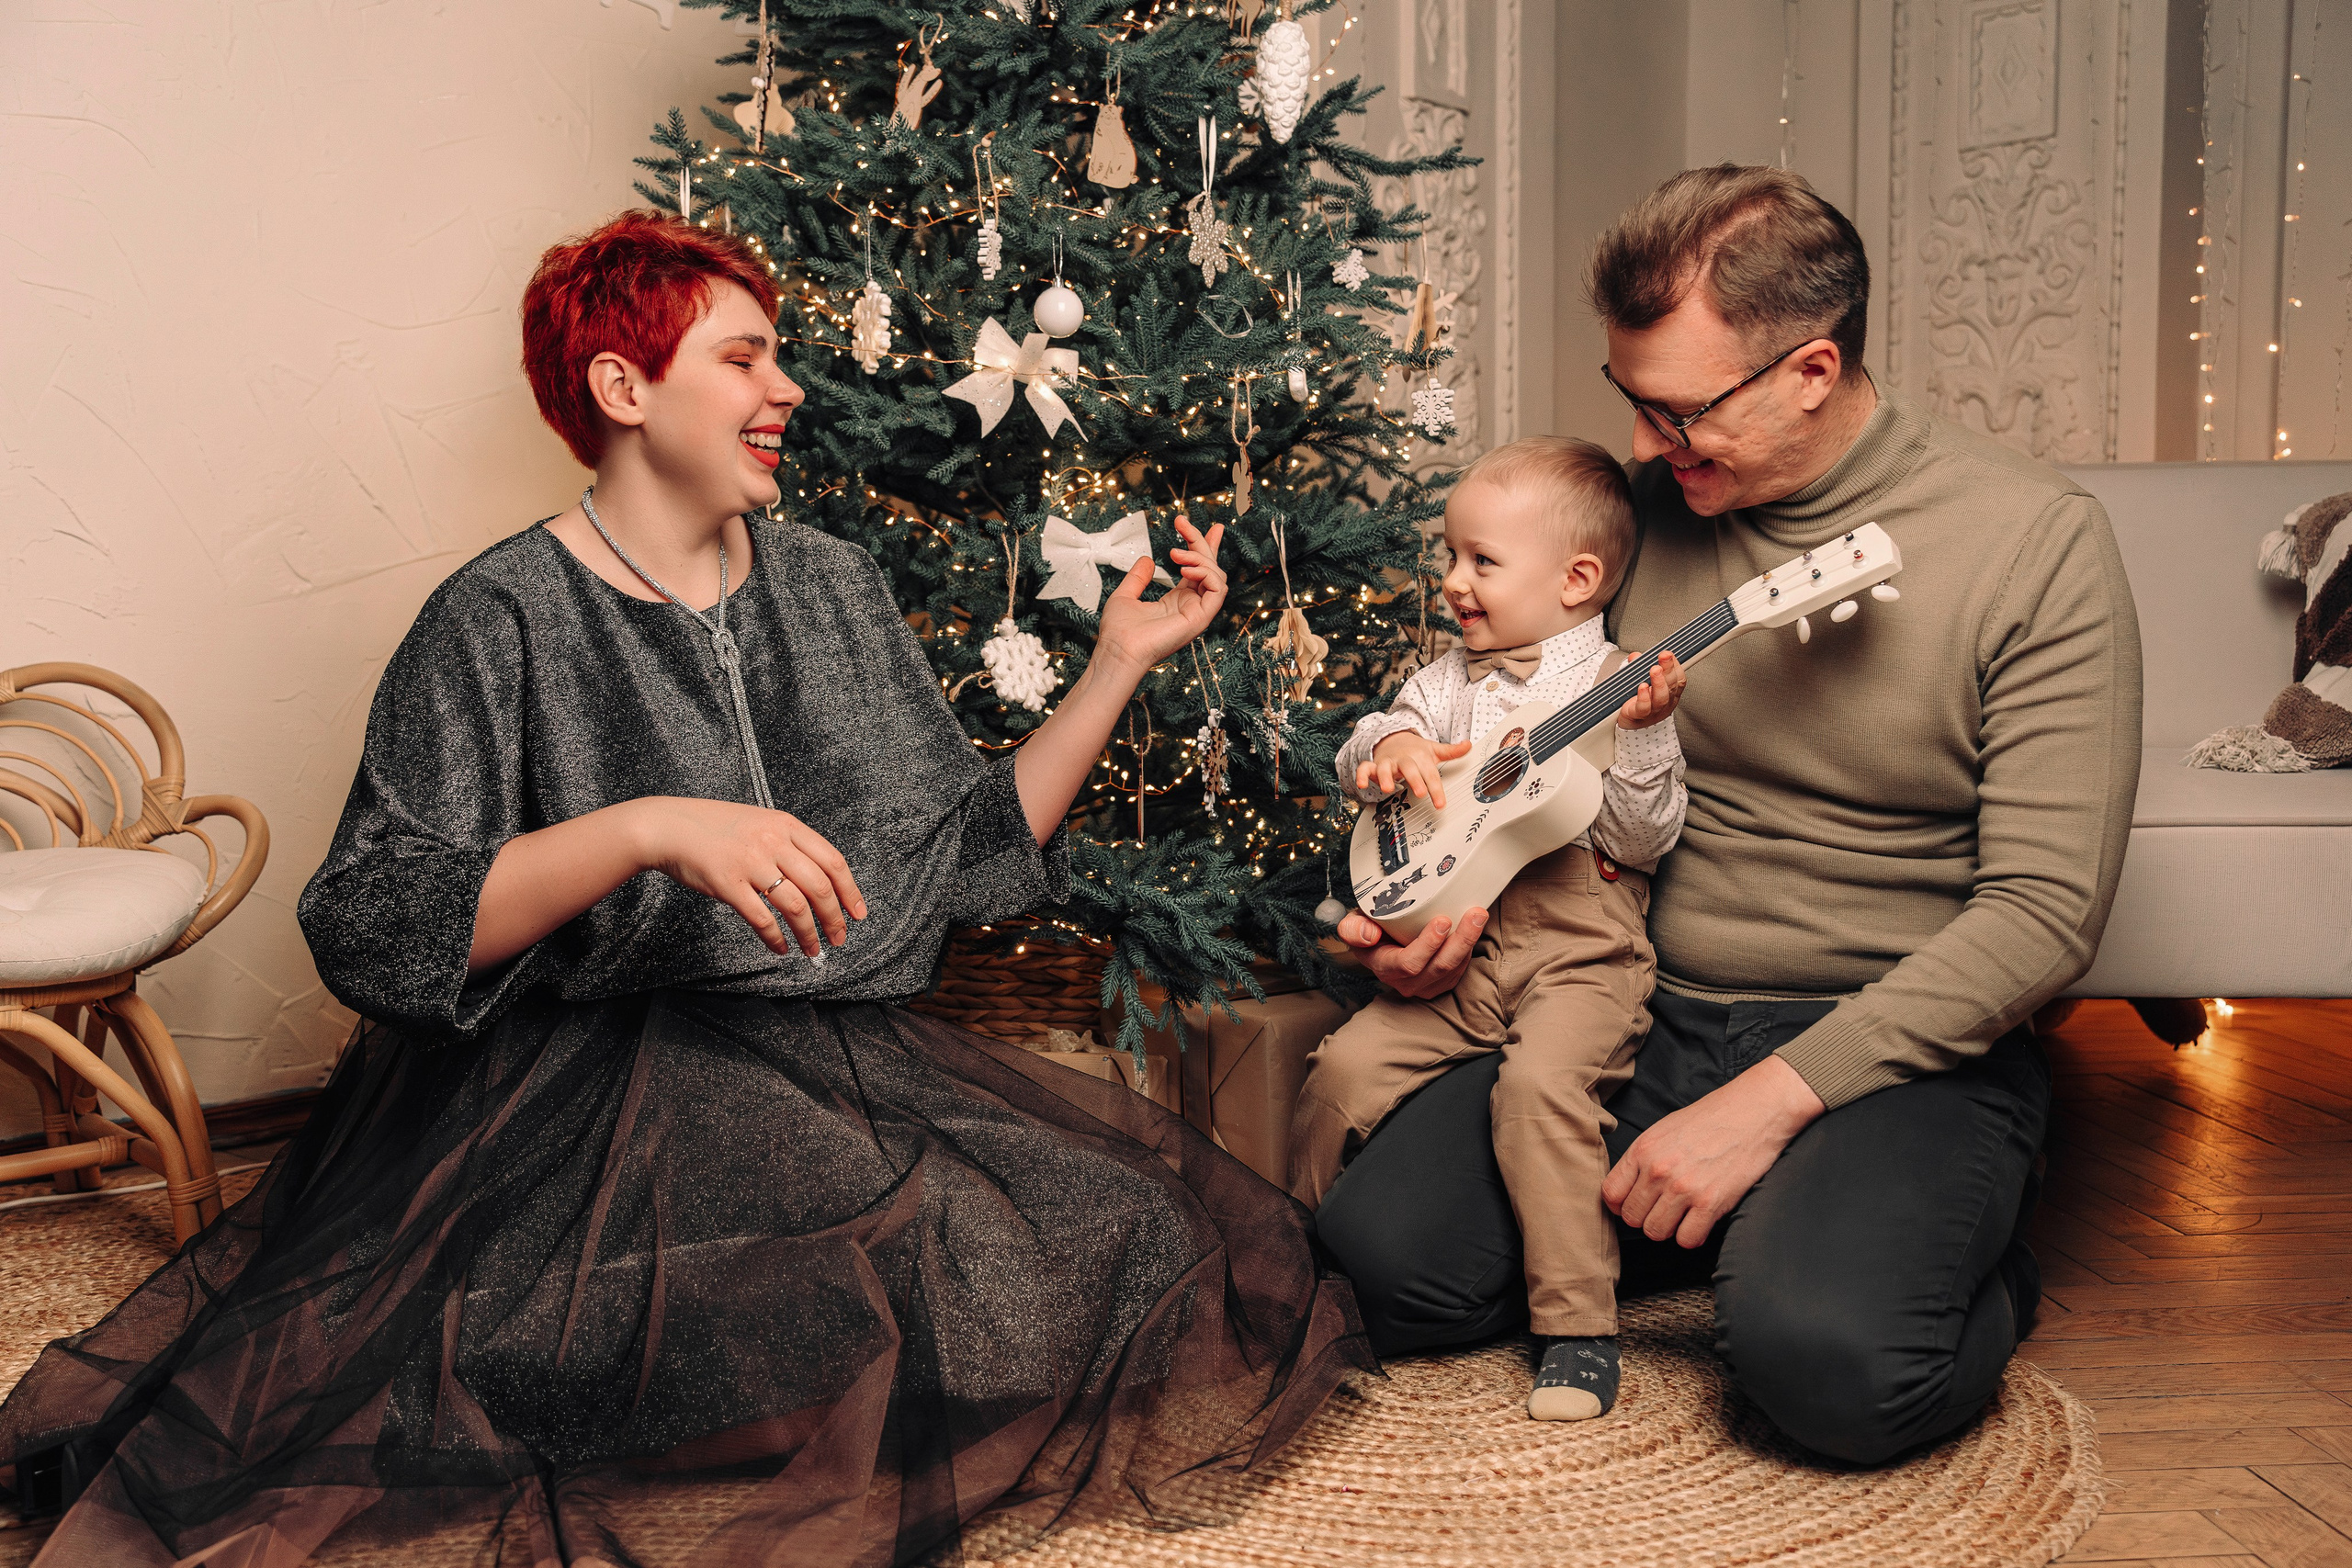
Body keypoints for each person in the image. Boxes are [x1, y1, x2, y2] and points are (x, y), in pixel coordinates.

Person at [0, 212, 1369, 1565]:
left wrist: (1121, 659)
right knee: (763, 1301)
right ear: (623, 386)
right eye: (746, 358)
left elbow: (963, 845)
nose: (787, 390)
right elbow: (378, 917)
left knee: (1124, 1228)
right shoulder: (501, 616)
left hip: (832, 1059)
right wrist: (645, 827)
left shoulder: (831, 585)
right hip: (589, 1088)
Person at [1311, 165, 2141, 1463]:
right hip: (1634, 1004)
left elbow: (2047, 914)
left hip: (1887, 1038)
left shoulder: (2034, 542)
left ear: (1811, 368)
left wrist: (1774, 1100)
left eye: (1680, 411)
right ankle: (1721, 1223)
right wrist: (1452, 903)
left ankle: (1923, 1248)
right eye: (1630, 401)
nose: (1645, 447)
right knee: (1379, 1270)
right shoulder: (1632, 525)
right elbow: (1496, 752)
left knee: (1837, 1368)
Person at [1287, 437, 1688, 1422]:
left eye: (1480, 561)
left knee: (1541, 1092)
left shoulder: (1619, 683)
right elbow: (1360, 748)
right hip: (1462, 945)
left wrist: (1636, 735)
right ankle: (1288, 1270)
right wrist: (1395, 745)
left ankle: (1577, 1331)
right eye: (1451, 556)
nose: (1453, 581)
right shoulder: (1444, 682)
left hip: (1580, 947)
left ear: (1577, 578)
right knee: (1341, 1070)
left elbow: (1645, 836)